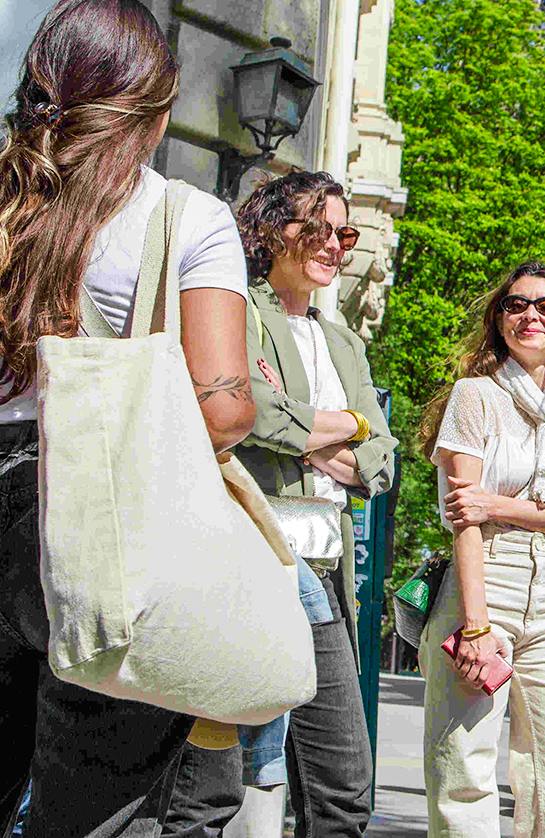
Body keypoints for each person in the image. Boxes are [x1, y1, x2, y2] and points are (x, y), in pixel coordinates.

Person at [0, 0, 256, 836]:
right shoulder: (188, 217)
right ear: (155, 116)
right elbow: (225, 409)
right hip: (105, 522)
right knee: (94, 812)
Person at [163, 169, 398, 837]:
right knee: (216, 784)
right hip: (248, 559)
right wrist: (344, 424)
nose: (332, 244)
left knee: (344, 790)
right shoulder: (239, 308)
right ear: (271, 232)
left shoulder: (344, 339)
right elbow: (250, 409)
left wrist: (343, 432)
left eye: (343, 231)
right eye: (314, 228)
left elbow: (381, 457)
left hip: (325, 575)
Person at [418, 262, 545, 836]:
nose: (530, 316)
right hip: (485, 581)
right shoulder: (474, 398)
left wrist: (496, 503)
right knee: (464, 767)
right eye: (516, 305)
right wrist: (475, 626)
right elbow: (462, 521)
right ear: (498, 321)